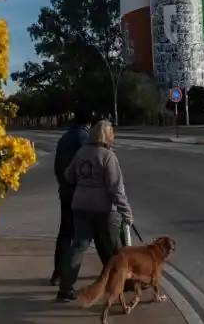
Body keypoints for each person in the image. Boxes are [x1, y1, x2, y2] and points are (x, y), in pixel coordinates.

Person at [57, 120, 134, 302]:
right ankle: (121, 284)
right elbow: (116, 190)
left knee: (78, 246)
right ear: (108, 135)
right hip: (104, 210)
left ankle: (65, 288)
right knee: (115, 249)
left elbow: (68, 176)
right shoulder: (108, 156)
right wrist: (127, 213)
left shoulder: (80, 153)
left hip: (80, 206)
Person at [50, 109, 93, 287]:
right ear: (88, 123)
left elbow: (57, 166)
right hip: (79, 192)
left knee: (65, 233)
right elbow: (88, 165)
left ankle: (57, 274)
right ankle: (68, 280)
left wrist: (63, 184)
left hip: (65, 190)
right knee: (87, 235)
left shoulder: (64, 137)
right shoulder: (84, 138)